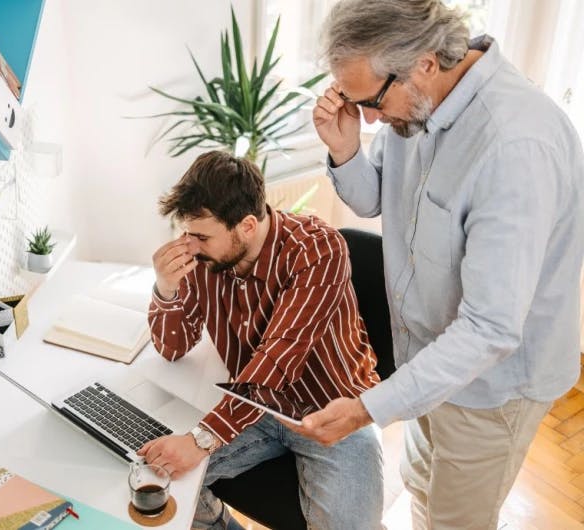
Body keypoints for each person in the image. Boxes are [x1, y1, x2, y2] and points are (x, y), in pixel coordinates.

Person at [298, 0, 584, 528]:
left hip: (493, 387)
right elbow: (375, 197)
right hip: (427, 361)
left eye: (372, 103)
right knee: (421, 484)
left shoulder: (515, 145)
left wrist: (367, 407)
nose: (369, 119)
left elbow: (489, 328)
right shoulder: (416, 101)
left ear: (426, 62)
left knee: (457, 520)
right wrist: (344, 151)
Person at [138, 150, 383, 529]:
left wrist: (202, 439)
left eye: (201, 236)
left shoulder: (319, 251)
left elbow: (278, 359)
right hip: (253, 410)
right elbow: (173, 347)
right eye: (186, 232)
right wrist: (166, 289)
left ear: (247, 226)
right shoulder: (206, 258)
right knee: (154, 480)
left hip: (333, 412)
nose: (190, 245)